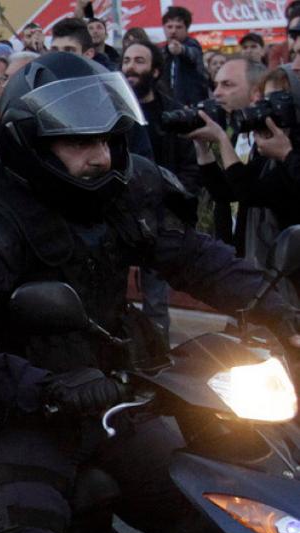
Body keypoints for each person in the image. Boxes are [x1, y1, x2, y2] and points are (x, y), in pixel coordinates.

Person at [0, 52, 300, 533]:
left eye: (106, 140)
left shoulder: (121, 194)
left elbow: (192, 255)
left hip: (115, 407)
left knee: (231, 520)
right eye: (79, 143)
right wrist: (44, 387)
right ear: (32, 143)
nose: (99, 156)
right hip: (19, 421)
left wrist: (279, 308)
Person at [121, 39, 202, 340]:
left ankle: (159, 357)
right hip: (120, 218)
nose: (131, 68)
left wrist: (175, 203)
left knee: (156, 302)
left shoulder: (173, 113)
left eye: (139, 61)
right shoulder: (112, 112)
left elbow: (190, 166)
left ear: (155, 71)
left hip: (160, 220)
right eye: (127, 60)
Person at [188, 56, 267, 249]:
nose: (217, 93)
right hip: (233, 248)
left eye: (227, 85)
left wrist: (221, 139)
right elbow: (224, 194)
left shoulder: (270, 141)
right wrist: (202, 147)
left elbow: (248, 192)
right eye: (216, 85)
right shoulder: (237, 132)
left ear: (256, 91)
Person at [162, 5, 210, 105]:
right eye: (169, 27)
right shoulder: (163, 51)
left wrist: (181, 50)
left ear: (186, 29)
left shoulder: (192, 44)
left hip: (193, 106)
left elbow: (192, 54)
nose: (173, 31)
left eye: (178, 27)